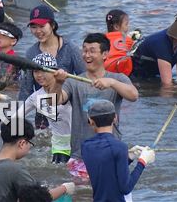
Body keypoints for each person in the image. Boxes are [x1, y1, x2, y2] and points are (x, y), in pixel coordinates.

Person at [50, 33, 139, 180]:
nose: (86, 55)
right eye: (84, 50)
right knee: (81, 194)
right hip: (80, 153)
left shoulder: (118, 79)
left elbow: (134, 96)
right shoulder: (73, 81)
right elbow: (53, 101)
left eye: (92, 51)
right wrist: (58, 82)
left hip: (110, 151)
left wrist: (111, 83)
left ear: (105, 54)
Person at [0, 53, 72, 164]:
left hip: (76, 142)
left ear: (55, 72)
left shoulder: (68, 89)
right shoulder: (35, 97)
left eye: (43, 71)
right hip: (59, 146)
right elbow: (13, 120)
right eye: (35, 71)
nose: (39, 75)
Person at [18, 5, 85, 129]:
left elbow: (84, 77)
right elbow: (26, 89)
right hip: (43, 111)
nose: (38, 31)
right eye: (33, 27)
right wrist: (18, 122)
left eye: (42, 26)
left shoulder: (70, 48)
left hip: (67, 108)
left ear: (53, 25)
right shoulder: (31, 53)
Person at [0, 118, 74, 202]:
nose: (30, 147)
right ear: (22, 143)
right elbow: (40, 198)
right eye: (30, 143)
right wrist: (65, 187)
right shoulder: (14, 169)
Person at [82, 99, 155, 201]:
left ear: (91, 121)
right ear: (115, 118)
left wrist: (129, 157)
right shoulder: (119, 147)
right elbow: (126, 188)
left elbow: (107, 170)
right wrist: (142, 161)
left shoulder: (85, 146)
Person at [104, 9, 135, 76]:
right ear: (116, 27)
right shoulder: (127, 39)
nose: (128, 27)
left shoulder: (102, 38)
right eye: (126, 24)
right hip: (122, 71)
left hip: (104, 69)